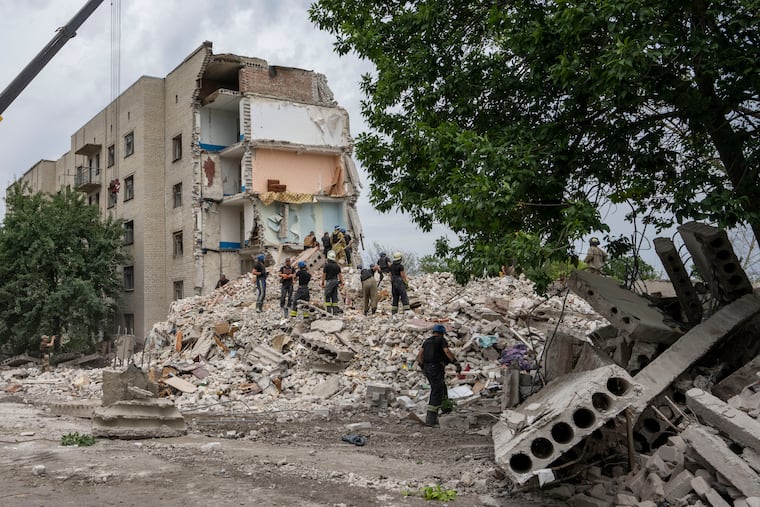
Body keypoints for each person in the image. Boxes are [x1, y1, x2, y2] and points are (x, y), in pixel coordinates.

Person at [416, 324, 461, 427]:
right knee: (436, 390)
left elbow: (419, 355)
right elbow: (447, 351)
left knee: (441, 386)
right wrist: (455, 362)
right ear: (442, 333)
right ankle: (430, 419)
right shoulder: (441, 340)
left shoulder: (427, 341)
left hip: (427, 368)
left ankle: (446, 408)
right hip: (436, 367)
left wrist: (422, 366)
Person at [322, 249, 343, 315]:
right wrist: (342, 283)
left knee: (327, 296)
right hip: (336, 281)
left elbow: (324, 275)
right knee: (334, 296)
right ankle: (335, 312)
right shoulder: (337, 266)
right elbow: (340, 275)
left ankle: (328, 312)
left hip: (329, 282)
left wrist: (322, 282)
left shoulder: (327, 265)